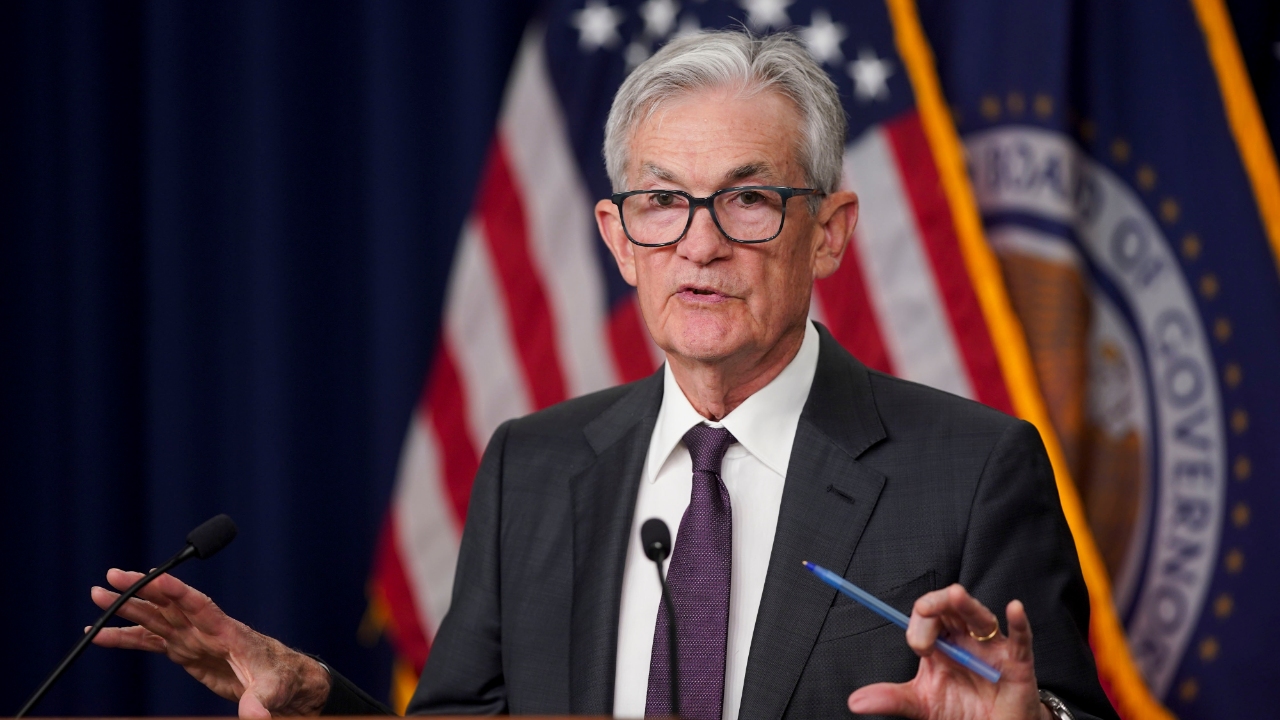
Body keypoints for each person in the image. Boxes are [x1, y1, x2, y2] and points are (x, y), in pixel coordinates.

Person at [90, 30, 1118, 720]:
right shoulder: (532, 469)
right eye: (661, 202)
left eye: (748, 200)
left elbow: (1034, 698)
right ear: (616, 239)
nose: (698, 245)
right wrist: (314, 694)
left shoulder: (970, 471)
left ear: (831, 233)